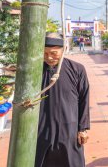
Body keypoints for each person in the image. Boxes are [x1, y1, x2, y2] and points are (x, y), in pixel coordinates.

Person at [35, 33, 90, 167]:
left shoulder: (77, 69)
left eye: (54, 53)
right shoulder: (34, 71)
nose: (49, 57)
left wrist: (83, 128)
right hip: (40, 131)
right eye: (45, 53)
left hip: (69, 131)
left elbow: (84, 99)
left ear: (64, 49)